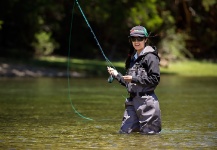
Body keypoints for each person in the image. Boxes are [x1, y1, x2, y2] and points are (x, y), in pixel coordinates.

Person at [107, 25, 161, 135]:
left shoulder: (151, 57)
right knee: (125, 133)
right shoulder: (133, 58)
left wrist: (134, 79)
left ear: (145, 39)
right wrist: (117, 75)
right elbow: (129, 83)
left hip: (147, 103)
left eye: (139, 39)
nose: (136, 41)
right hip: (132, 102)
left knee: (149, 138)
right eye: (133, 39)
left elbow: (155, 79)